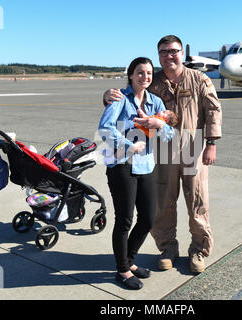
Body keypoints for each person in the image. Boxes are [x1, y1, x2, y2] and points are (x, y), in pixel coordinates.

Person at [103, 35, 222, 274]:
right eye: (164, 52)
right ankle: (168, 248)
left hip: (192, 145)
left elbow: (213, 110)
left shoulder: (199, 79)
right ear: (159, 55)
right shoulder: (152, 81)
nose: (169, 55)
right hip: (162, 150)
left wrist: (211, 143)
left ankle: (198, 250)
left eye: (174, 51)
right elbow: (124, 99)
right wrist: (106, 96)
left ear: (181, 52)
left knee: (197, 201)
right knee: (164, 203)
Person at [98, 57, 174, 290]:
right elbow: (104, 128)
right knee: (125, 220)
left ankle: (129, 261)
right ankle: (122, 270)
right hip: (122, 165)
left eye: (149, 73)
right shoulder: (120, 98)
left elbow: (169, 135)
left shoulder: (156, 102)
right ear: (131, 75)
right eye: (140, 72)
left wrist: (158, 125)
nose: (145, 77)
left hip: (146, 165)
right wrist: (129, 145)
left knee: (148, 219)